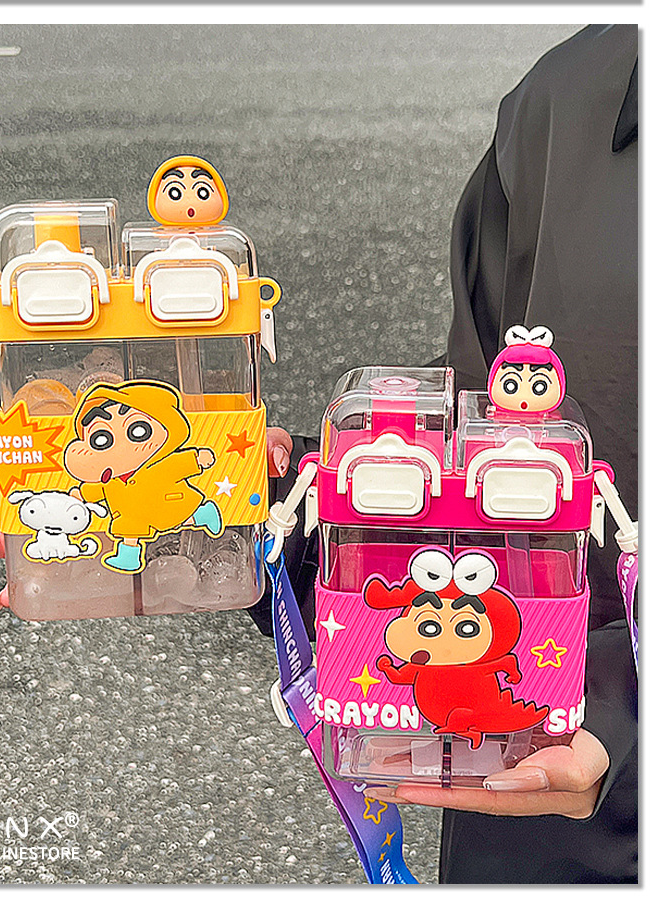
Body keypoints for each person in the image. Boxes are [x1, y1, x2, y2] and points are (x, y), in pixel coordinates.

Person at [258, 24, 637, 884]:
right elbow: (473, 426)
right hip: (534, 803)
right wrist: (251, 506)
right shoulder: (569, 96)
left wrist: (627, 708)